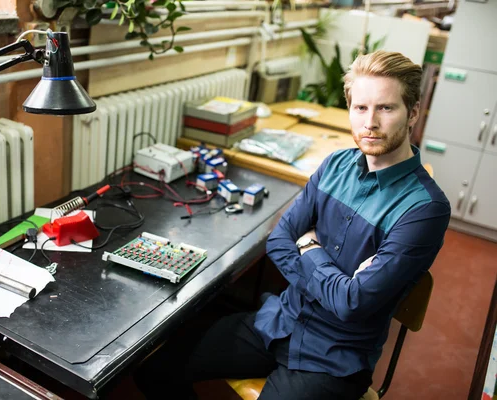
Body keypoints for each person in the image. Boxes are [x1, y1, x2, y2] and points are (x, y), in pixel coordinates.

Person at [135, 50, 451, 400]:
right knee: (156, 367)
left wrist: (310, 248)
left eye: (386, 108)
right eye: (360, 108)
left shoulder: (425, 209)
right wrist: (339, 283)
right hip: (280, 320)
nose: (370, 122)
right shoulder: (335, 165)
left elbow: (352, 304)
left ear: (414, 113)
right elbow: (280, 240)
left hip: (335, 357)